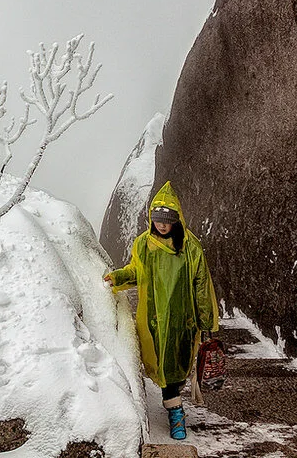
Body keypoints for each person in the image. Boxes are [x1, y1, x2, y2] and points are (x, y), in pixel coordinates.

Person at [103, 181, 218, 442]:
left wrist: (206, 322)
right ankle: (174, 409)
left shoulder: (190, 247)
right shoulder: (143, 244)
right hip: (153, 318)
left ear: (176, 219)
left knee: (176, 366)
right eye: (157, 220)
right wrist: (118, 277)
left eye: (167, 220)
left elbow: (201, 285)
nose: (162, 225)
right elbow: (136, 271)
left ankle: (175, 409)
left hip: (182, 319)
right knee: (162, 365)